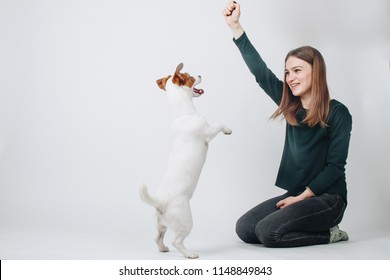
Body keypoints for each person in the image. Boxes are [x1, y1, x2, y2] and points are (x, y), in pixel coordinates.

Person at [223, 1, 352, 247]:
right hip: (299, 194)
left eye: (297, 70)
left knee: (268, 233)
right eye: (287, 72)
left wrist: (301, 198)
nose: (290, 78)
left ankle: (331, 234)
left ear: (315, 72)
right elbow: (261, 74)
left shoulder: (339, 113)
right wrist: (236, 27)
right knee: (246, 229)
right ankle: (302, 213)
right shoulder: (290, 104)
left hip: (329, 199)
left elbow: (336, 168)